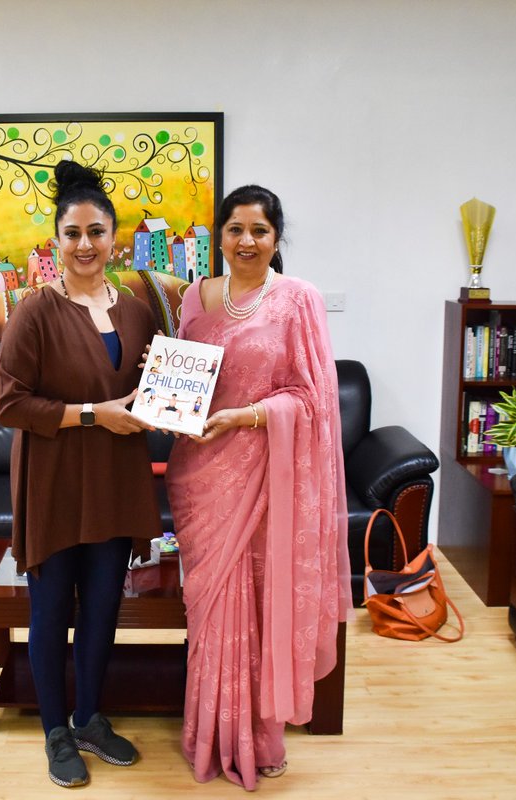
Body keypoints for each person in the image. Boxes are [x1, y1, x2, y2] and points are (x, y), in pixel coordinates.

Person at [165, 184, 352, 790]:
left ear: (276, 239)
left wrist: (246, 417)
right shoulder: (195, 296)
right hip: (197, 477)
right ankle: (211, 732)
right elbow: (189, 385)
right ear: (217, 235)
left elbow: (311, 399)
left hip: (265, 475)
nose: (247, 242)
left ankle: (256, 739)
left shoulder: (298, 300)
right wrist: (164, 393)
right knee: (212, 608)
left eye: (260, 231)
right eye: (235, 229)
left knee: (258, 601)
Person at [0, 160, 161, 788]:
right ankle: (55, 731)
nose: (85, 245)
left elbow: (147, 395)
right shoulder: (33, 311)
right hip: (55, 481)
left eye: (96, 232)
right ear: (56, 240)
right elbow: (9, 404)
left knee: (102, 609)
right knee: (49, 611)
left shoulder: (139, 311)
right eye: (73, 233)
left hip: (116, 481)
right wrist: (92, 415)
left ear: (114, 237)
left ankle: (91, 716)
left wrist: (160, 387)